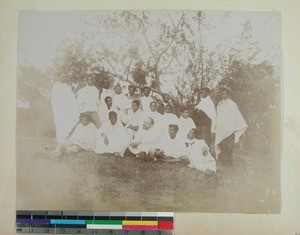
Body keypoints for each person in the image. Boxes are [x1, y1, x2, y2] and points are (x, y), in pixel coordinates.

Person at [215, 88, 248, 166]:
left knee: (229, 146)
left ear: (228, 95)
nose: (224, 95)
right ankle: (223, 162)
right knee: (222, 145)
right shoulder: (219, 105)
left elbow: (236, 115)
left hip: (229, 129)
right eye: (223, 93)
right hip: (221, 129)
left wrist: (233, 126)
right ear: (221, 94)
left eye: (226, 93)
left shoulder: (232, 104)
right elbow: (218, 117)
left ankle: (229, 163)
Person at [51, 78, 79, 148]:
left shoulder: (67, 87)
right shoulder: (56, 87)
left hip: (68, 110)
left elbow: (71, 100)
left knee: (69, 125)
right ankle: (61, 142)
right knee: (61, 126)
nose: (64, 78)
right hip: (60, 111)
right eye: (62, 76)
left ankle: (67, 142)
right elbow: (54, 100)